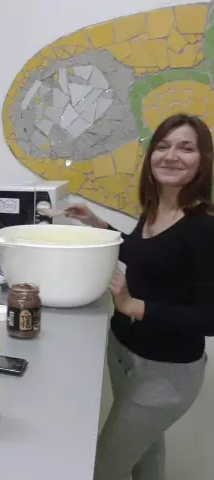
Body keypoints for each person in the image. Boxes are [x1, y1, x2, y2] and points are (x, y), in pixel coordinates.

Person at [64, 114, 214, 480]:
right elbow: (146, 255)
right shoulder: (156, 207)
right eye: (162, 146)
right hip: (124, 353)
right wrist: (98, 224)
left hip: (165, 372)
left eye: (186, 148)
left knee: (102, 468)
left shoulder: (204, 226)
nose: (171, 155)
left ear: (203, 160)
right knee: (146, 455)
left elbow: (209, 318)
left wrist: (133, 305)